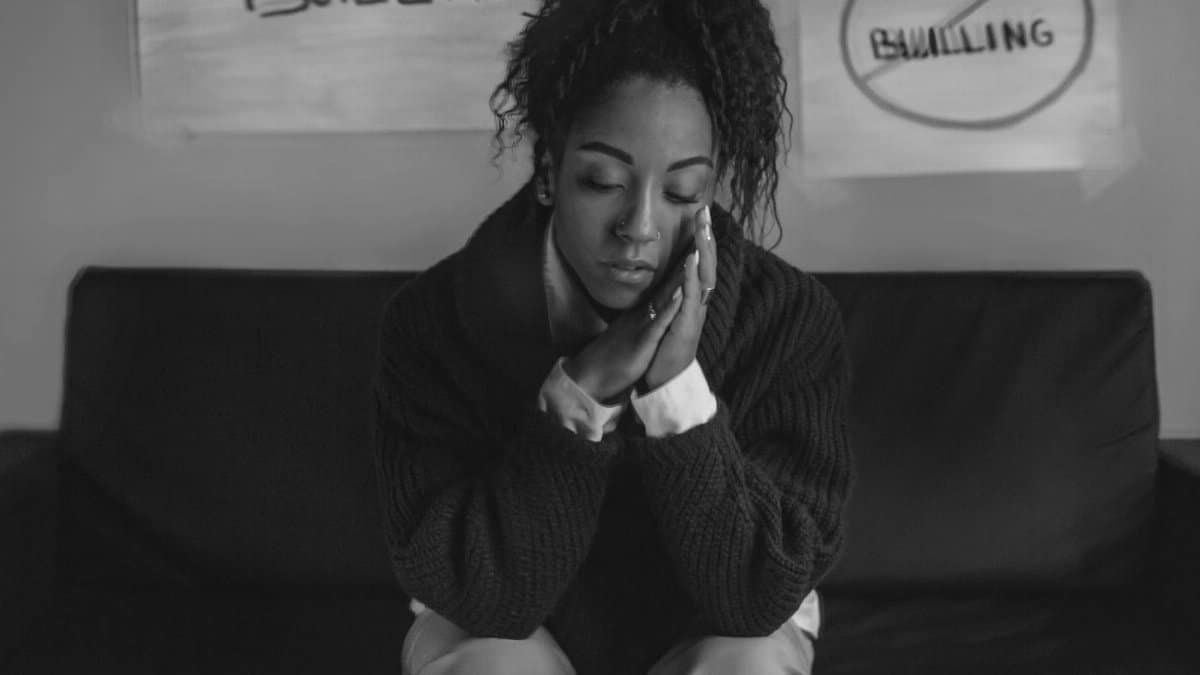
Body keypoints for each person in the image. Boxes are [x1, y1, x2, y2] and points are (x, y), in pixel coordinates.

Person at [371, 0, 853, 673]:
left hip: (716, 623)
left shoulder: (792, 321)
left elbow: (757, 596)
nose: (640, 226)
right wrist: (580, 398)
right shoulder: (429, 324)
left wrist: (675, 390)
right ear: (547, 170)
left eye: (684, 192)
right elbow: (477, 594)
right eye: (602, 180)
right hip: (511, 623)